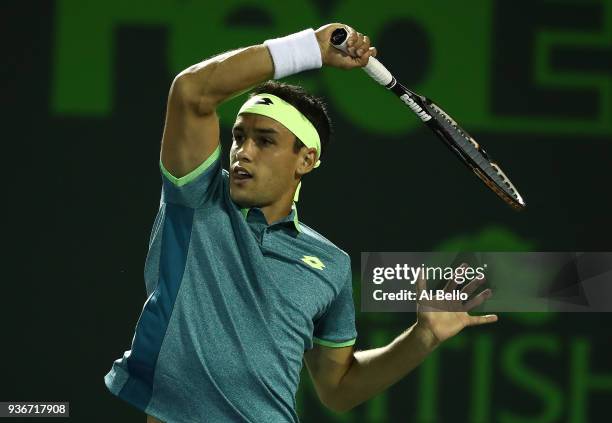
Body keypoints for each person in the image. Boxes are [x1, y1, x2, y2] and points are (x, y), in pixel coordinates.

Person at [104, 23, 498, 423]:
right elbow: (191, 92)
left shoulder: (330, 264)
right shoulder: (195, 199)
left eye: (265, 140)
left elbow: (338, 389)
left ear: (306, 160)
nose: (243, 152)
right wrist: (306, 49)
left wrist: (423, 338)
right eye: (239, 137)